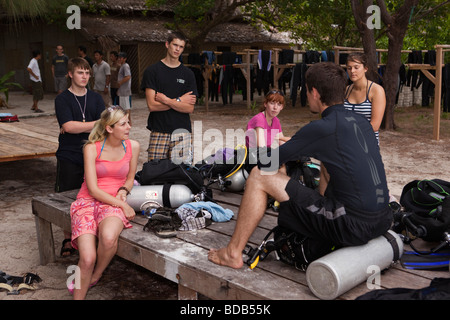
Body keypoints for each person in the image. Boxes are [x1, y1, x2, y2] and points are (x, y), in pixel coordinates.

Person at [208, 62, 392, 269]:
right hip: (383, 218)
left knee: (259, 175)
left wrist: (289, 147)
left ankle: (232, 253)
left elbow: (267, 164)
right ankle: (322, 214)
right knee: (326, 164)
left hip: (353, 225)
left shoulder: (321, 128)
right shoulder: (361, 121)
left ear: (313, 92)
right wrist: (299, 146)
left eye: (306, 90)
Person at [68, 105, 139, 300]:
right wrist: (124, 205)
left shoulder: (133, 146)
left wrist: (124, 191)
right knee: (87, 257)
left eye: (128, 122)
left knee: (108, 238)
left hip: (113, 202)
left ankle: (96, 275)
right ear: (109, 128)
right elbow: (93, 189)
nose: (128, 127)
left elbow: (130, 178)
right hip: (88, 201)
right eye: (123, 124)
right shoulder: (91, 149)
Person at [55, 57, 105, 257]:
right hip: (69, 156)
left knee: (93, 196)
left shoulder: (95, 98)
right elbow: (68, 126)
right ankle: (68, 237)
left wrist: (79, 126)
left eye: (87, 73)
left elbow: (106, 125)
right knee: (67, 197)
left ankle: (90, 234)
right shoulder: (62, 99)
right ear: (70, 74)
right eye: (79, 72)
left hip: (93, 155)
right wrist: (96, 123)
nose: (84, 76)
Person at [140, 31, 198, 164]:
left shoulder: (188, 74)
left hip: (182, 131)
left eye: (181, 47)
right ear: (167, 44)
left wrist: (166, 100)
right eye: (175, 45)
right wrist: (179, 101)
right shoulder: (152, 71)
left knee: (182, 174)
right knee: (155, 174)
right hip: (159, 130)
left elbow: (189, 108)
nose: (177, 49)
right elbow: (152, 106)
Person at [344, 52, 386, 142]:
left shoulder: (376, 90)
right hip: (347, 145)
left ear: (365, 68)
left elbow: (375, 125)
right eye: (349, 68)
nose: (352, 71)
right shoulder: (346, 90)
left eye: (356, 67)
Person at [117, 52, 132, 125]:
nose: (119, 59)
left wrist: (120, 83)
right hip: (122, 90)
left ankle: (128, 121)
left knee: (126, 107)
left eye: (121, 58)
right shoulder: (122, 66)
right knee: (123, 107)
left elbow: (128, 76)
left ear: (125, 59)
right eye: (119, 58)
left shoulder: (125, 66)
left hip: (125, 90)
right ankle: (127, 121)